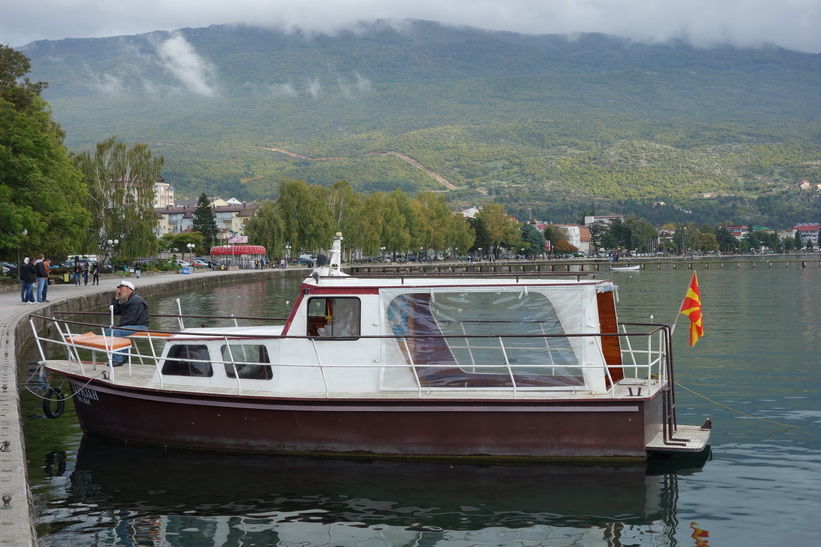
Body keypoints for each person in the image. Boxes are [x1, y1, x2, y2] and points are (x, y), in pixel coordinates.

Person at [105, 280, 150, 366]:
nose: (119, 291)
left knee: (114, 332)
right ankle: (123, 356)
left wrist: (117, 327)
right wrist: (116, 298)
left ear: (128, 289)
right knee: (109, 331)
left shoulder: (136, 301)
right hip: (133, 325)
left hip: (140, 326)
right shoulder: (129, 301)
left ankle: (117, 359)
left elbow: (130, 319)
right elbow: (114, 311)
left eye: (121, 288)